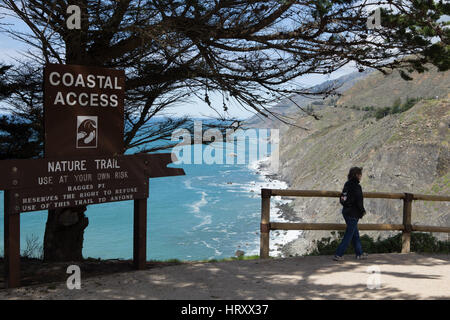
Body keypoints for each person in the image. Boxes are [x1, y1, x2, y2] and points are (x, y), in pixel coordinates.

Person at [333, 167, 369, 261]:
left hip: (346, 212)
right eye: (360, 174)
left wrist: (347, 205)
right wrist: (362, 211)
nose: (361, 176)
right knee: (349, 235)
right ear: (357, 175)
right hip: (353, 213)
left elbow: (343, 198)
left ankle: (359, 253)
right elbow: (359, 201)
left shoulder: (347, 184)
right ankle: (338, 254)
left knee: (354, 234)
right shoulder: (357, 186)